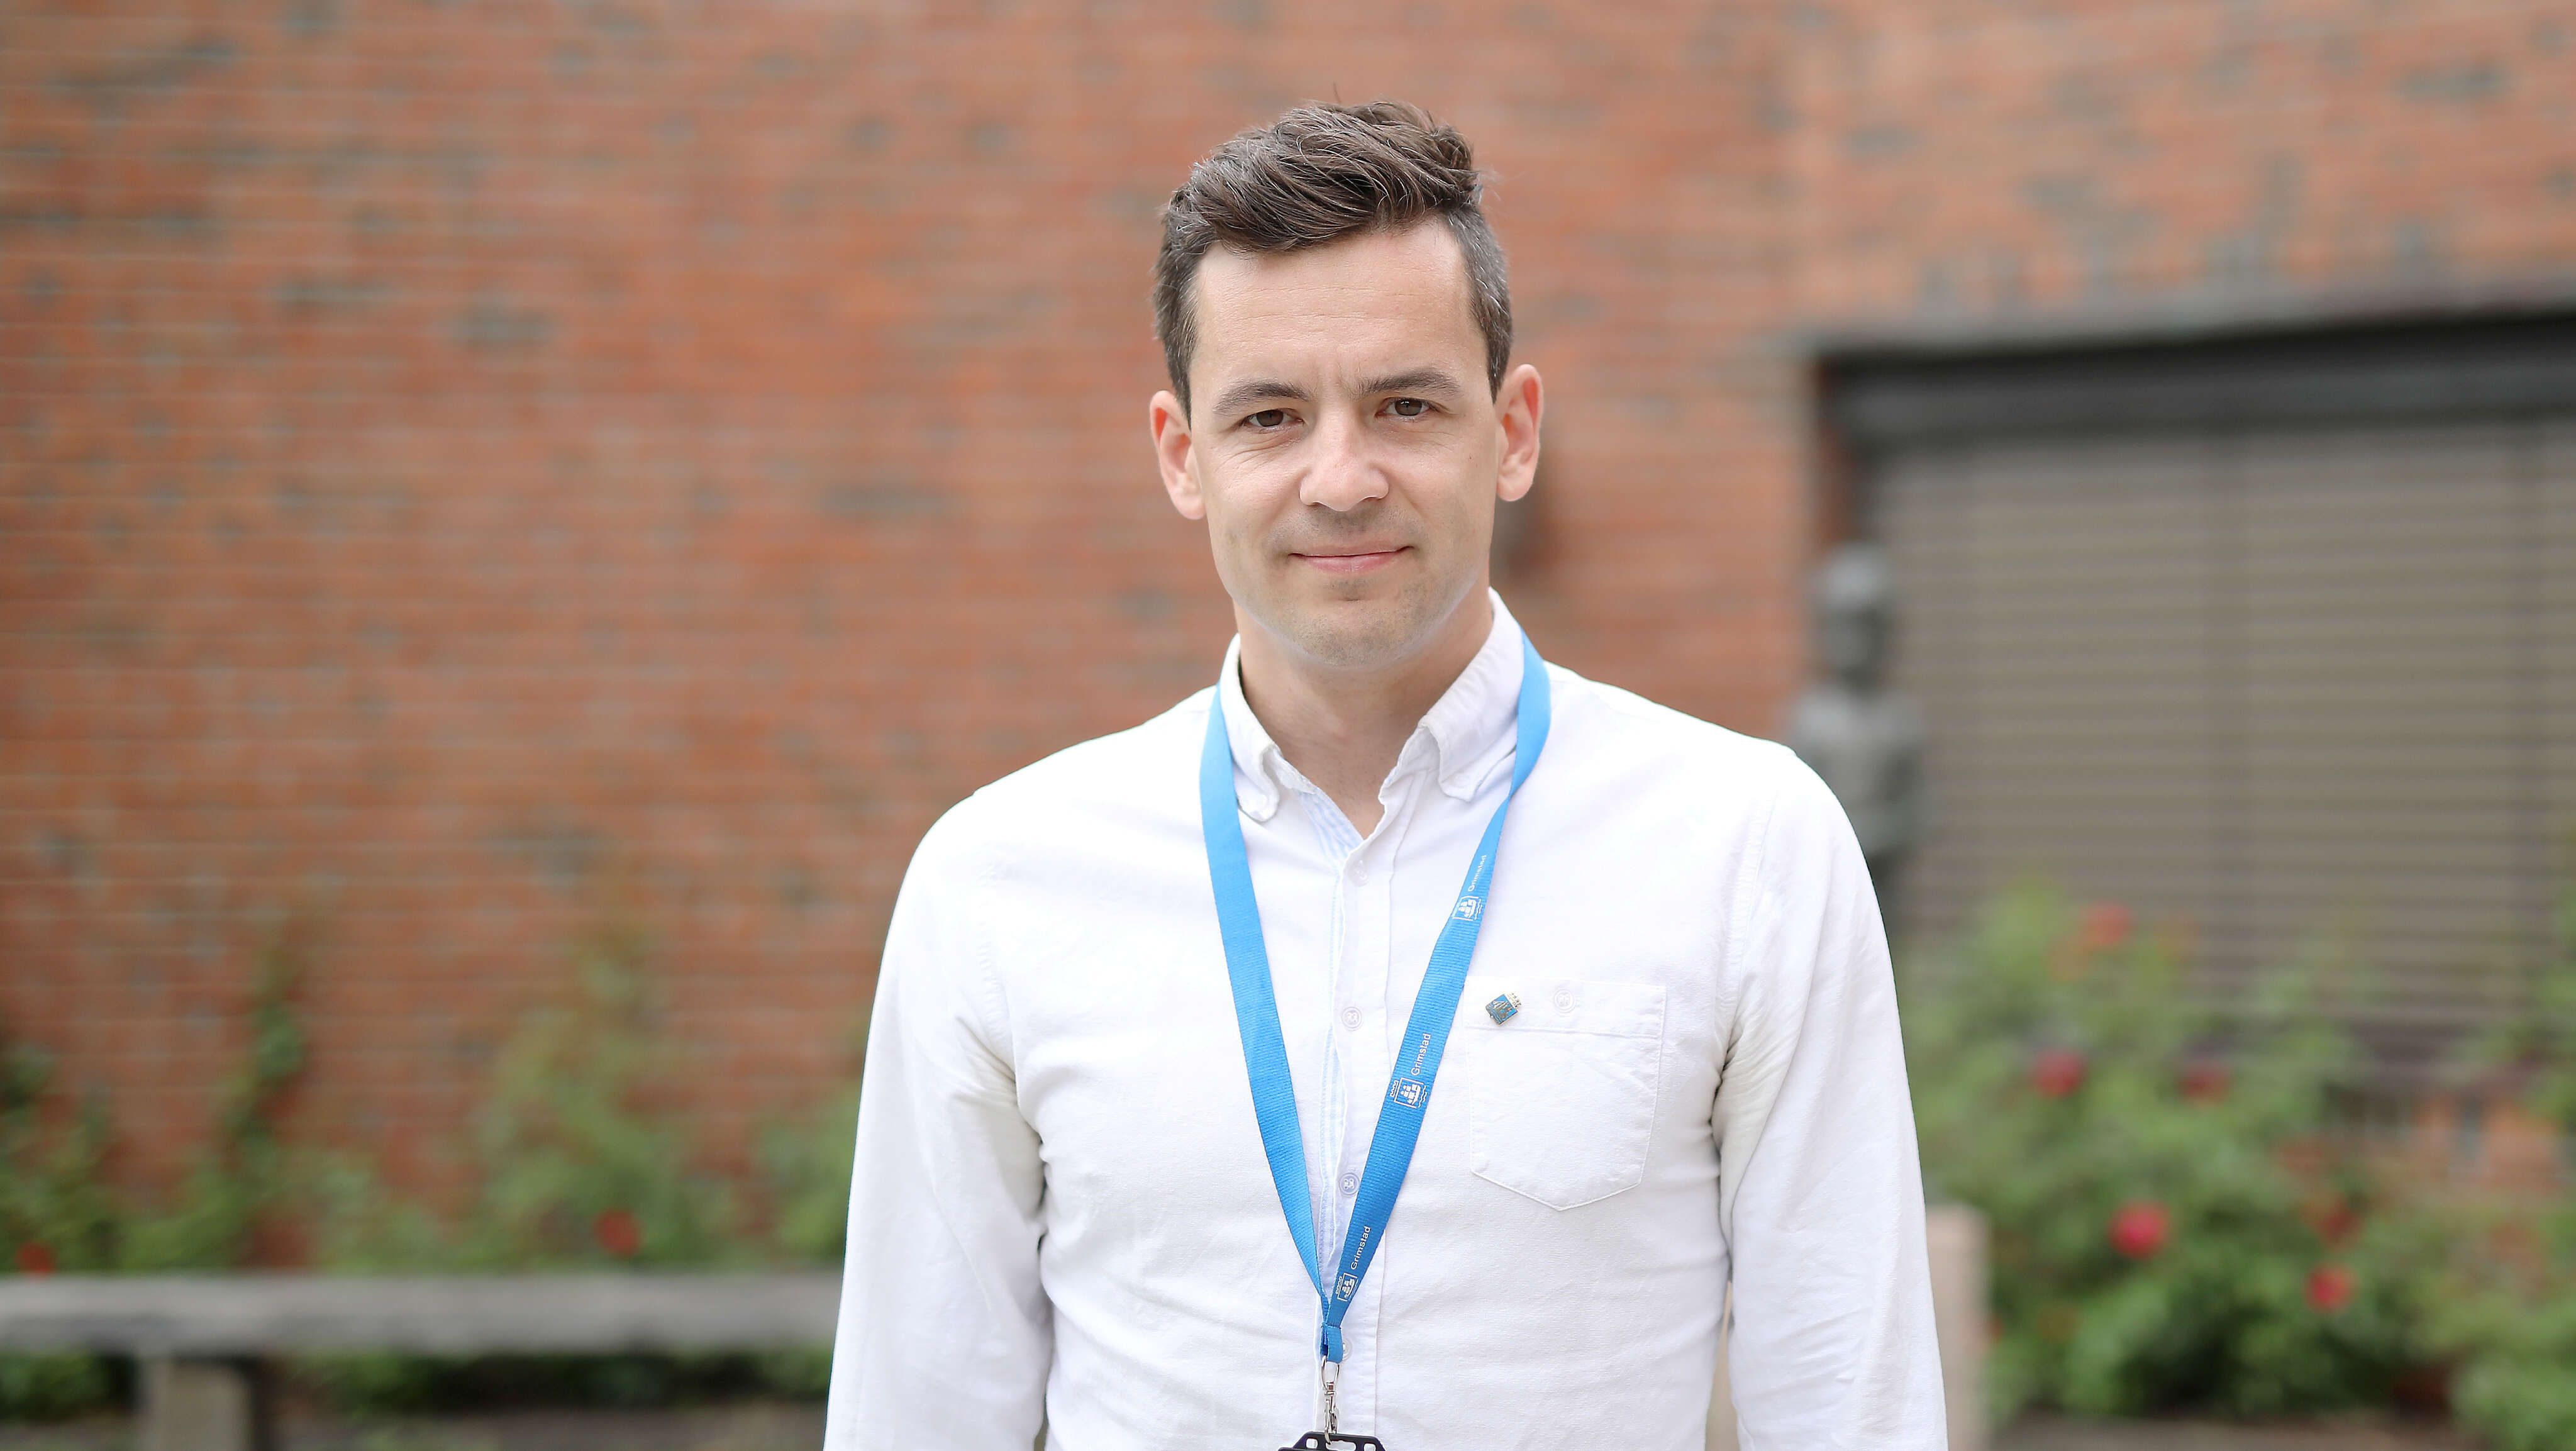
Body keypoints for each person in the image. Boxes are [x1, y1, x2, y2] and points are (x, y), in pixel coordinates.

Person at [823, 100, 1944, 1451]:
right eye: (1270, 416)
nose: (1341, 478)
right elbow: (917, 1411)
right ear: (1183, 456)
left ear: (1512, 431)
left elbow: (1850, 1406)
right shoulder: (996, 882)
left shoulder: (1747, 844)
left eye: (1405, 405)